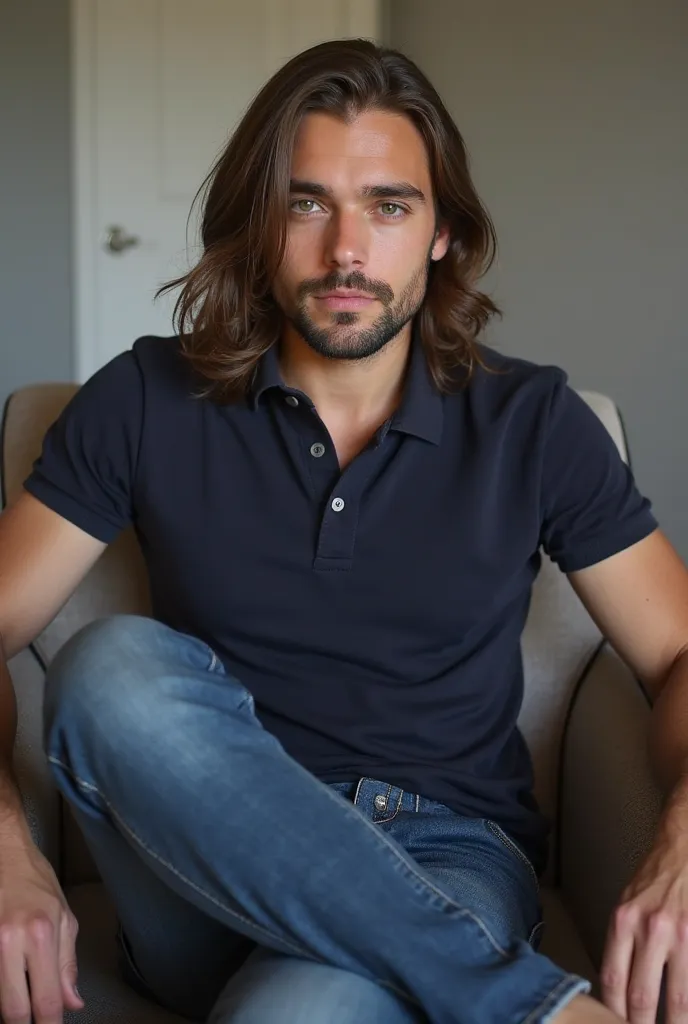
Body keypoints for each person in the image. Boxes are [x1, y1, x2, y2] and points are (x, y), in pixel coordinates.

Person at [0, 37, 687, 1024]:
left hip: (439, 852)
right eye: (306, 202)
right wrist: (7, 848)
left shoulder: (531, 421)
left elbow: (676, 652)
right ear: (256, 221)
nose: (347, 250)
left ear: (442, 231)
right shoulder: (145, 398)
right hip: (196, 865)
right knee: (109, 667)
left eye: (389, 205)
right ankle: (530, 1007)